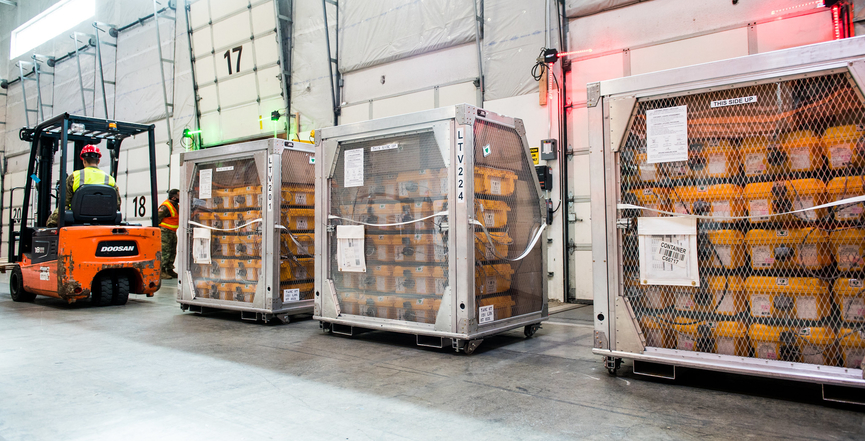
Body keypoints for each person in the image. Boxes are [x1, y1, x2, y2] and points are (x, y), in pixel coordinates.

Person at [46, 144, 120, 227]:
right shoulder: (110, 179)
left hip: (78, 220)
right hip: (104, 220)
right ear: (98, 161)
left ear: (84, 161)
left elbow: (65, 202)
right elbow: (117, 203)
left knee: (52, 221)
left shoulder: (75, 176)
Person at [158, 189, 180, 279]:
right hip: (165, 232)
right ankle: (161, 270)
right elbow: (158, 218)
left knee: (172, 251)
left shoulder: (176, 206)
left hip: (172, 232)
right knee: (165, 252)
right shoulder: (165, 206)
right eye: (179, 195)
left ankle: (169, 269)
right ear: (174, 197)